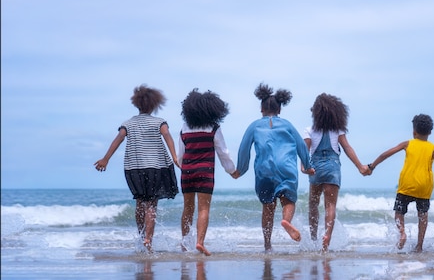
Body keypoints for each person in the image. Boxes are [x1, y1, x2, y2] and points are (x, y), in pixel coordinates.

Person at [94, 84, 179, 252]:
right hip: (156, 167)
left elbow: (118, 139)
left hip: (134, 169)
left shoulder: (128, 124)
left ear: (136, 104)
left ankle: (141, 236)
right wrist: (175, 157)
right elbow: (167, 136)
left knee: (140, 202)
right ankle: (148, 240)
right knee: (152, 205)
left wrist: (106, 159)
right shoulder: (159, 122)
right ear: (155, 104)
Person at [232, 83, 315, 252]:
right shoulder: (288, 125)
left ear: (261, 110)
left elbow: (244, 148)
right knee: (288, 201)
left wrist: (241, 169)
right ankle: (286, 221)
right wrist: (307, 166)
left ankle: (267, 245)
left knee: (268, 206)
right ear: (280, 110)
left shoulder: (254, 126)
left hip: (264, 170)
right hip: (286, 168)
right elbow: (301, 145)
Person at [367, 114, 434, 253]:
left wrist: (372, 166)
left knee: (399, 213)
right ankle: (419, 245)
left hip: (407, 185)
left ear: (414, 132)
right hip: (424, 188)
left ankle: (402, 234)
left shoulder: (408, 143)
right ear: (430, 132)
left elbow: (385, 155)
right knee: (423, 216)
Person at [303, 93, 369, 251]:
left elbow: (304, 151)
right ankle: (327, 236)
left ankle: (313, 239)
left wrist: (304, 167)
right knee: (330, 205)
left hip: (315, 169)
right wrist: (360, 166)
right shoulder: (337, 129)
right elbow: (347, 148)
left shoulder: (308, 130)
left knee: (313, 204)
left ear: (316, 113)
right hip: (333, 168)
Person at [177, 88, 238, 256]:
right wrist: (231, 171)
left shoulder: (184, 128)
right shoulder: (213, 128)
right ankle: (199, 242)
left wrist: (184, 167)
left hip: (187, 172)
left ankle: (185, 243)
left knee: (187, 208)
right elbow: (223, 152)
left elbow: (180, 156)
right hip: (205, 172)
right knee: (204, 209)